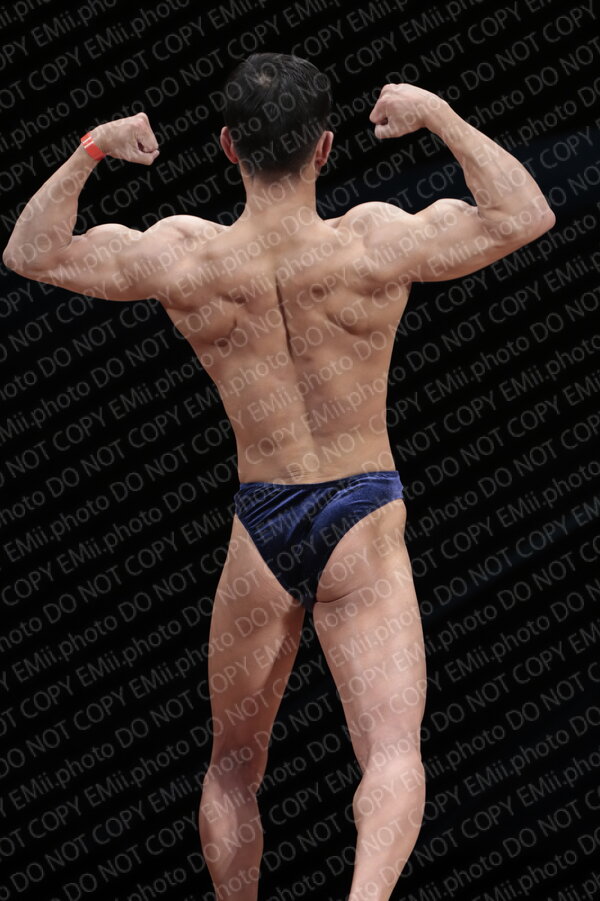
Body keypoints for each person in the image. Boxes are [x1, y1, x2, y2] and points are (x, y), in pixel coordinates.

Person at [3, 52, 554, 901]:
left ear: (228, 145)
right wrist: (440, 114)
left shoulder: (187, 257)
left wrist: (93, 149)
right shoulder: (373, 242)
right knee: (391, 754)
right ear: (325, 146)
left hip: (261, 522)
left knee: (232, 767)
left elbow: (31, 251)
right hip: (360, 511)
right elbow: (523, 212)